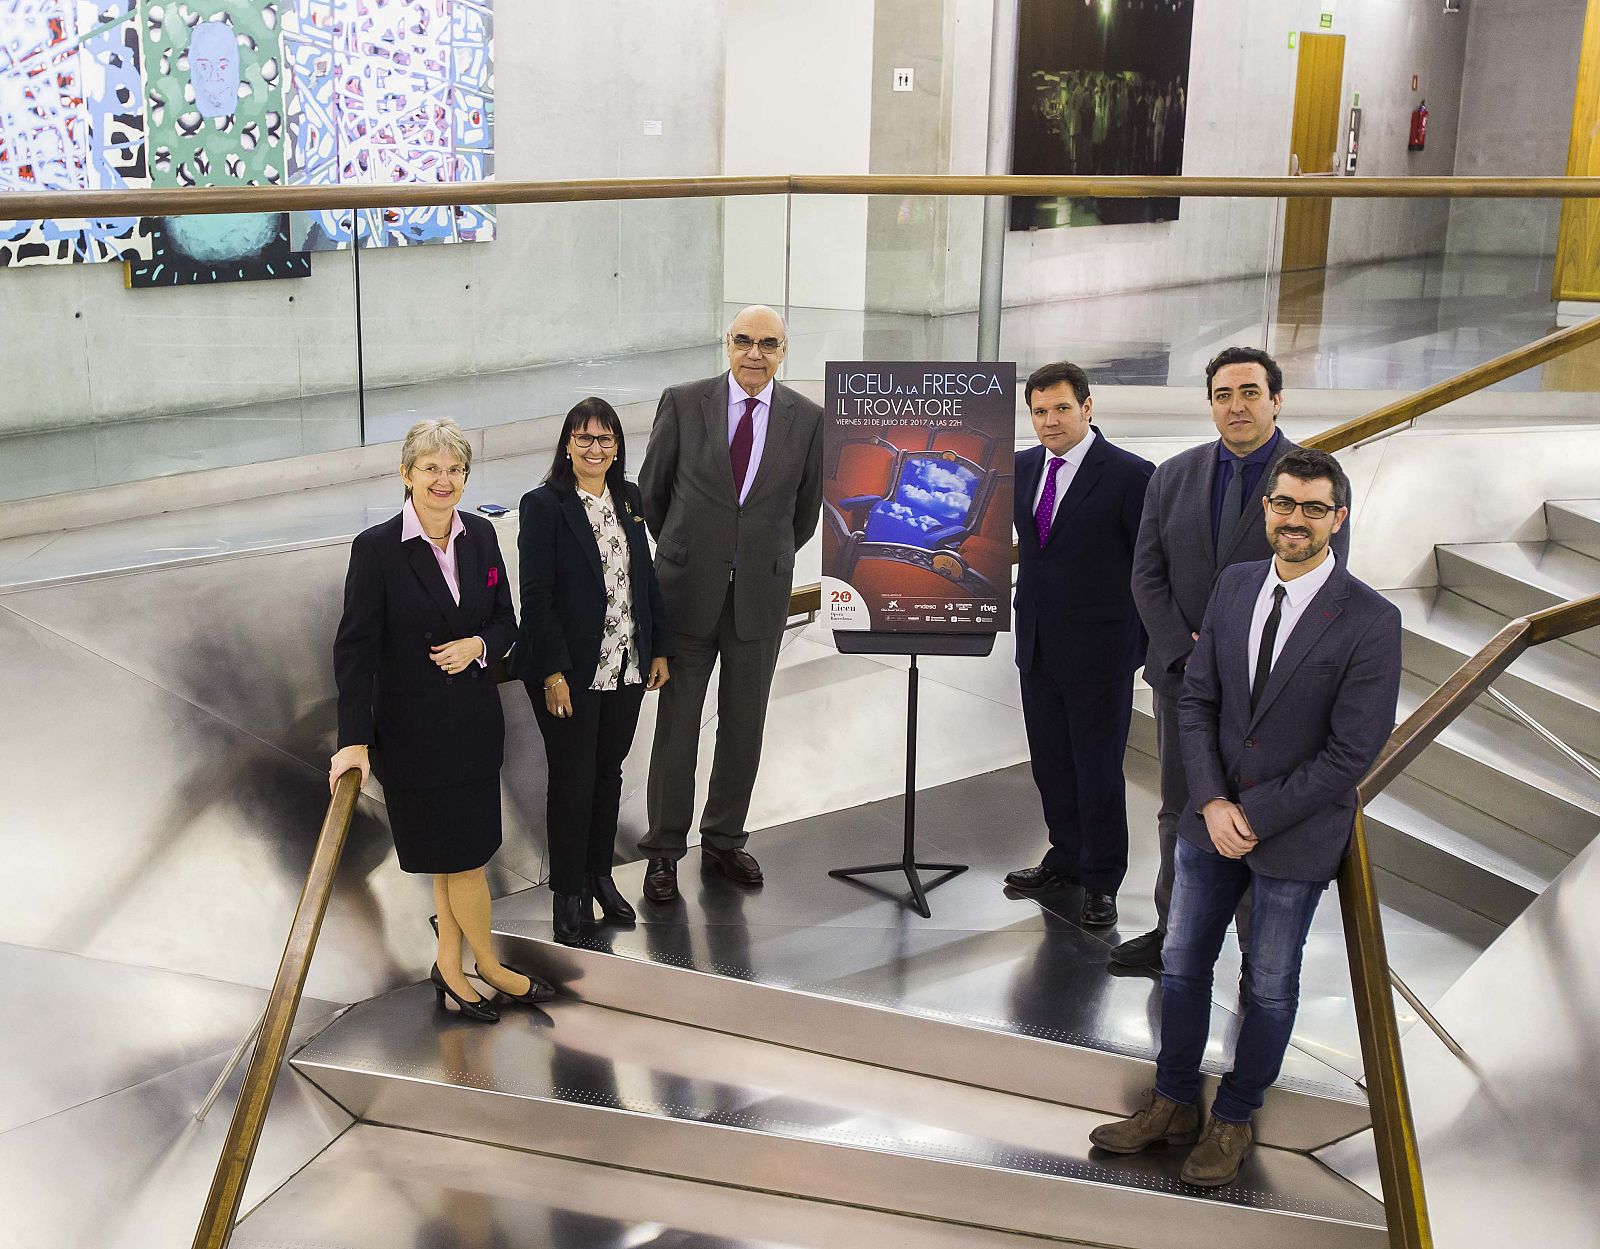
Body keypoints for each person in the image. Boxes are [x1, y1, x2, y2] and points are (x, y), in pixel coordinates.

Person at [1090, 448, 1400, 1187]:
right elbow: (1195, 699)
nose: (1295, 519)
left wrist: (1252, 814)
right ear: (1266, 508)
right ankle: (1171, 1101)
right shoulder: (1234, 586)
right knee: (1183, 962)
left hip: (1291, 836)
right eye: (1284, 503)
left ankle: (1232, 1114)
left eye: (1313, 508)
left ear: (1339, 518)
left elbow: (1351, 751)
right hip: (1209, 822)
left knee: (1268, 984)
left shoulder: (1370, 619)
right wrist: (1215, 800)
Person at [1114, 346, 1350, 973]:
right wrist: (1180, 651)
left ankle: (1254, 954)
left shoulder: (1312, 484)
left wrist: (1232, 657)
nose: (1236, 405)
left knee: (1254, 820)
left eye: (1249, 392)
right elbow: (1147, 575)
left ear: (1277, 399)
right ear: (1211, 404)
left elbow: (1321, 588)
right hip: (1182, 679)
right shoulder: (1173, 476)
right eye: (1223, 394)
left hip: (1267, 693)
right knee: (1178, 808)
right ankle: (1173, 937)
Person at [331, 418, 554, 1022]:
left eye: (454, 469)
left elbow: (507, 622)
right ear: (406, 475)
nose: (443, 480)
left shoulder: (481, 535)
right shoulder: (376, 549)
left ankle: (451, 968)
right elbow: (354, 649)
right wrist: (353, 740)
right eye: (430, 468)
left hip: (474, 729)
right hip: (414, 737)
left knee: (464, 858)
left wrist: (478, 645)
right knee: (459, 862)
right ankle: (487, 965)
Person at [635, 305, 824, 902]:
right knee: (677, 729)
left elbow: (805, 514)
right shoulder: (684, 403)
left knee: (744, 727)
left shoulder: (809, 419)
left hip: (759, 600)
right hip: (686, 594)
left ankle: (723, 839)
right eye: (744, 340)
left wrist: (753, 560)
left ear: (783, 351)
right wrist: (691, 550)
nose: (754, 353)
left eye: (768, 344)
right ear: (727, 343)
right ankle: (664, 850)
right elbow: (653, 495)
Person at [509, 398, 673, 943]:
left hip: (625, 663)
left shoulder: (628, 499)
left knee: (608, 773)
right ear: (567, 445)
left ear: (618, 447)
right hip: (571, 672)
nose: (595, 449)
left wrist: (658, 648)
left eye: (605, 439)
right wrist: (553, 673)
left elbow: (645, 581)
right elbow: (534, 597)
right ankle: (569, 892)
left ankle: (601, 876)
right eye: (584, 439)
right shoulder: (544, 506)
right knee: (573, 779)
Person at [1003, 362, 1154, 927]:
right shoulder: (1020, 468)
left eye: (1061, 408)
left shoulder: (1129, 474)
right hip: (1038, 643)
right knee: (1051, 763)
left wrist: (1138, 647)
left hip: (1102, 651)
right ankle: (1064, 857)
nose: (1049, 421)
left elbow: (1147, 567)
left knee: (1097, 770)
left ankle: (1101, 879)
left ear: (1088, 408)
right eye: (1039, 411)